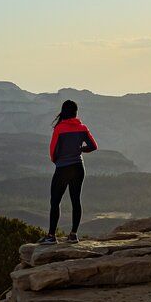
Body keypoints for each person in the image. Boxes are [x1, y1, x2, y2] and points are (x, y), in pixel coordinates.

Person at [38, 100, 97, 245]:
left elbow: (53, 151)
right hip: (78, 167)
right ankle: (73, 235)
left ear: (63, 112)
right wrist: (80, 149)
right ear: (76, 112)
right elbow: (93, 146)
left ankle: (51, 236)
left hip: (63, 168)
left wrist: (58, 161)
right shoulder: (82, 128)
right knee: (76, 200)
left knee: (55, 201)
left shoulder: (59, 129)